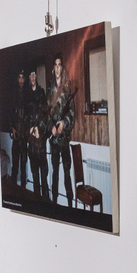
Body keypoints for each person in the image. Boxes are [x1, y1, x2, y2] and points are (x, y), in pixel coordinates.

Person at [46, 54, 76, 206]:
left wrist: (64, 123)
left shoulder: (67, 88)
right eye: (55, 65)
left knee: (67, 173)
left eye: (59, 65)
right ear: (53, 68)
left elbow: (72, 113)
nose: (57, 68)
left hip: (64, 140)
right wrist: (51, 127)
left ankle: (70, 205)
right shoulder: (50, 91)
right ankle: (54, 203)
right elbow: (46, 114)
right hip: (54, 142)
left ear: (62, 68)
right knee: (55, 173)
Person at [25, 69, 49, 199]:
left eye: (34, 74)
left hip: (40, 139)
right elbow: (25, 116)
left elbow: (45, 115)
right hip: (31, 139)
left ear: (36, 76)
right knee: (35, 174)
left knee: (43, 174)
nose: (33, 77)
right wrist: (29, 129)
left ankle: (46, 202)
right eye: (31, 75)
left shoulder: (41, 92)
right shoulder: (27, 94)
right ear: (29, 77)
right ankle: (36, 202)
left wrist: (39, 129)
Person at [9, 70, 28, 186]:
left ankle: (23, 188)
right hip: (16, 133)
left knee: (23, 163)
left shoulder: (27, 93)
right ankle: (13, 187)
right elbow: (10, 112)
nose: (21, 80)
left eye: (23, 78)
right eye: (19, 77)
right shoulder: (13, 93)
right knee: (15, 162)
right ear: (17, 79)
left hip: (24, 133)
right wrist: (12, 127)